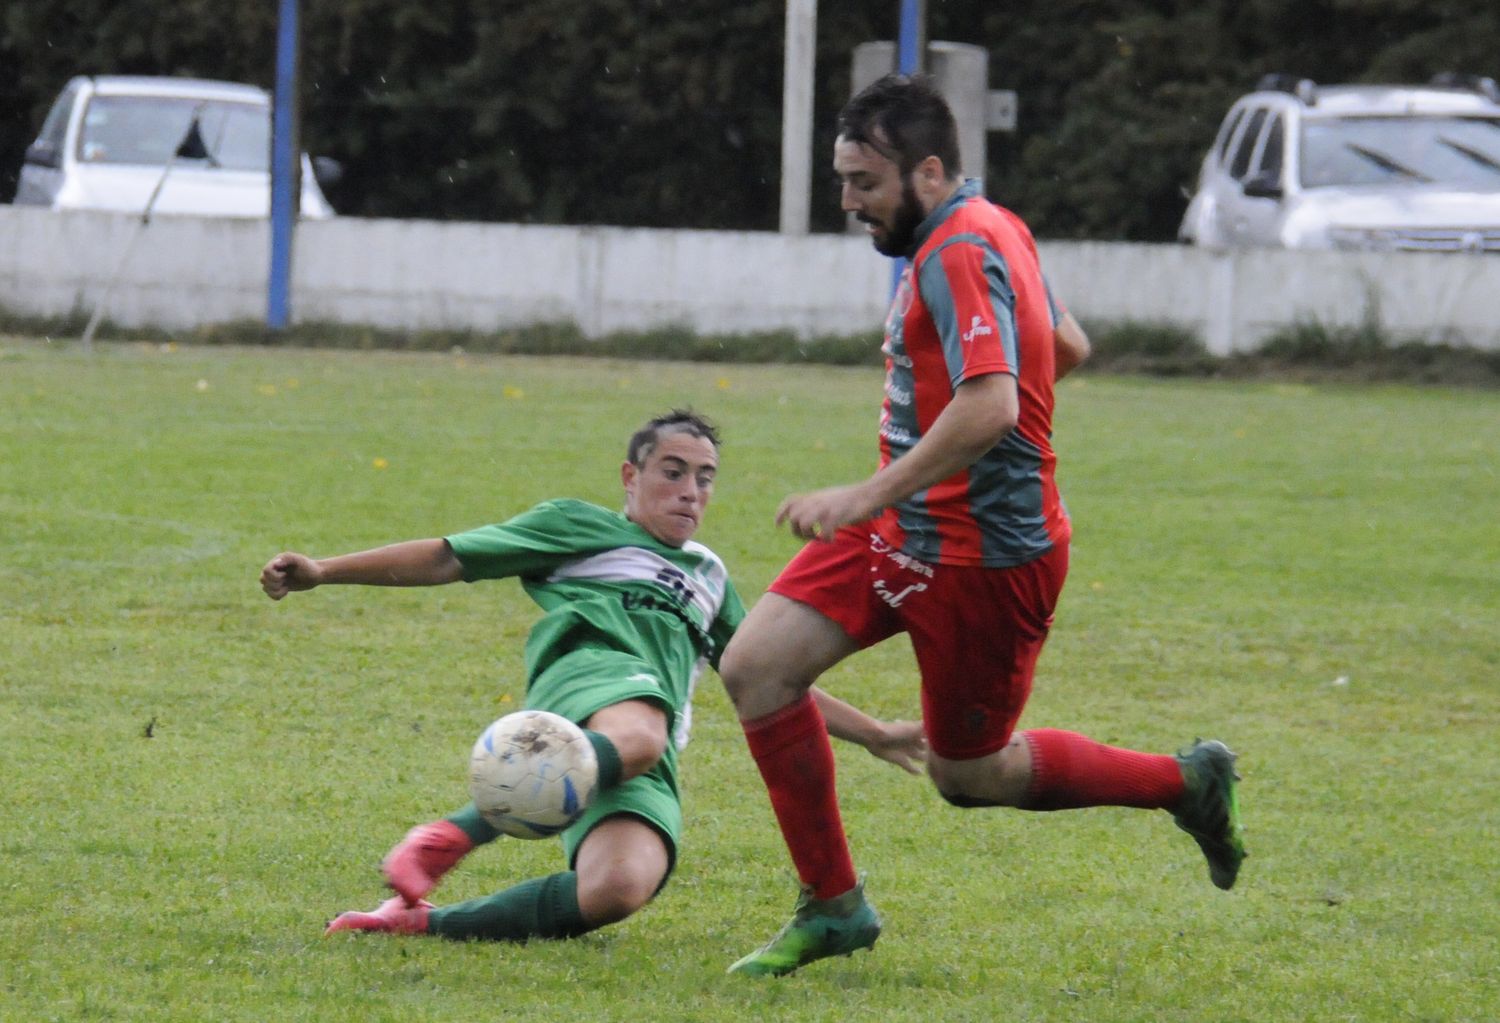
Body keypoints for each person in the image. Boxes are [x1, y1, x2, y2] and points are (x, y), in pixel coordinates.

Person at [718, 75, 1247, 978]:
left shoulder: (962, 249)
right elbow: (1065, 348)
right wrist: (912, 489)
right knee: (757, 667)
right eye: (842, 179)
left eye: (865, 183)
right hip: (905, 533)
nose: (848, 202)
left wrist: (873, 491)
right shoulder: (989, 223)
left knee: (968, 776)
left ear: (928, 171)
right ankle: (835, 905)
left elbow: (995, 402)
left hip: (983, 559)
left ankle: (1187, 780)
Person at [259, 409, 926, 944]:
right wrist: (324, 569)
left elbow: (765, 678)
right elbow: (447, 557)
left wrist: (873, 733)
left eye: (705, 477)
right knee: (639, 735)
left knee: (617, 888)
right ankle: (449, 836)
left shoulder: (709, 576)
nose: (690, 491)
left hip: (644, 734)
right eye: (672, 471)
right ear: (630, 476)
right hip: (587, 677)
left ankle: (421, 920)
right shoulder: (579, 526)